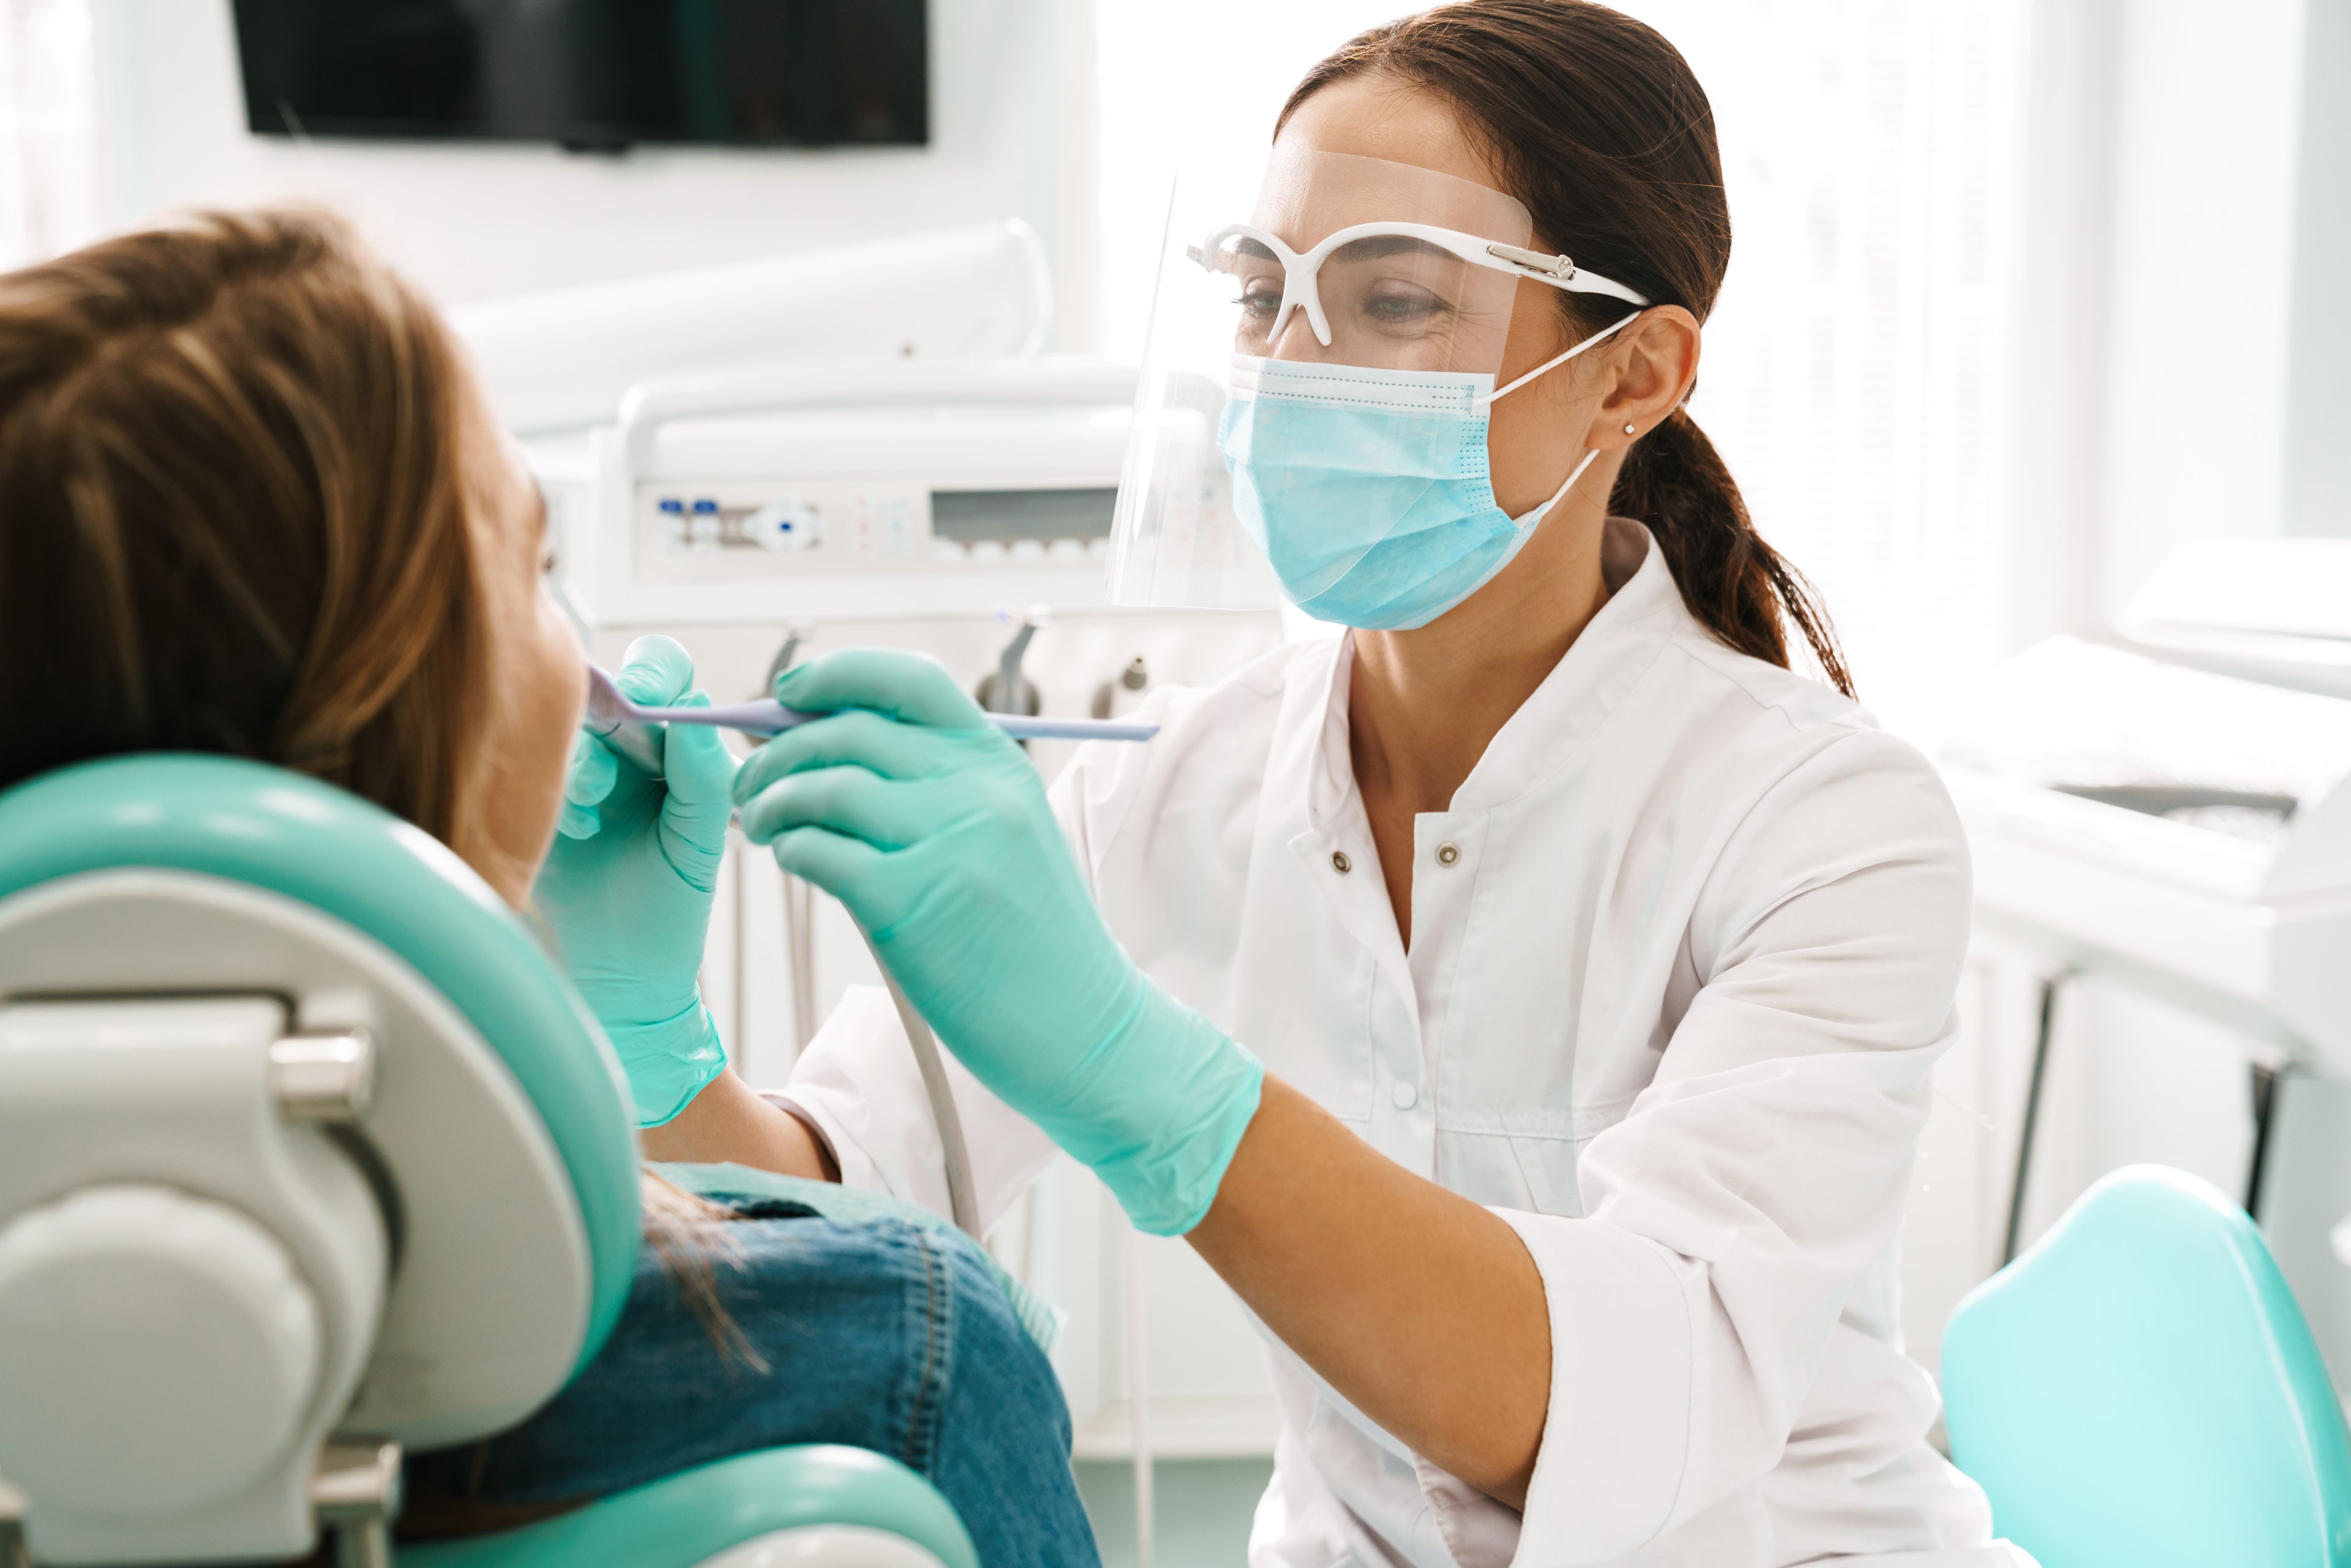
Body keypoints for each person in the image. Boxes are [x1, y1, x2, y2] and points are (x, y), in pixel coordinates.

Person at [640, 3, 2039, 1565]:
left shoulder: (1827, 827)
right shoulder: (1176, 783)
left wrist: (1145, 1085)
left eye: (1393, 301)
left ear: (1635, 372)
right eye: (1264, 296)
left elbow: (1624, 1396)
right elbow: (825, 1205)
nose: (1295, 370)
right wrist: (633, 1025)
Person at [0, 208, 1098, 1567]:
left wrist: (661, 1062)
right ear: (417, 707)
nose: (578, 663)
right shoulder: (898, 1360)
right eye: (534, 565)